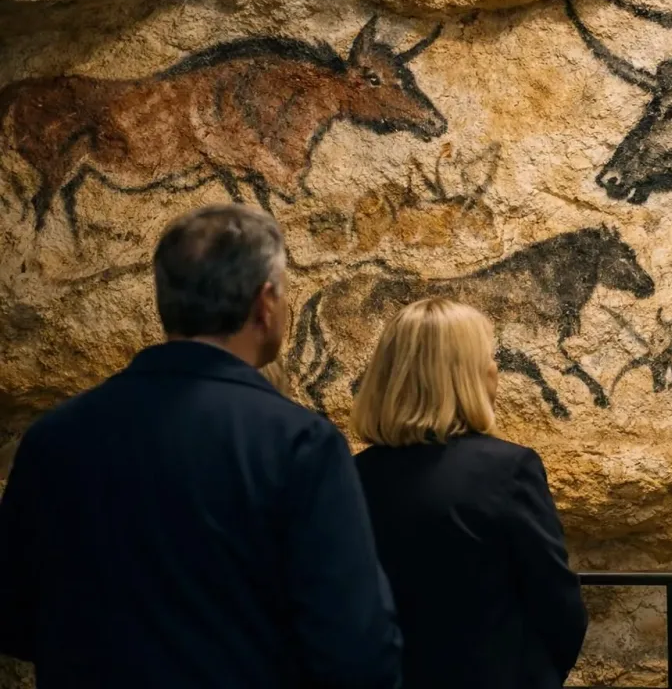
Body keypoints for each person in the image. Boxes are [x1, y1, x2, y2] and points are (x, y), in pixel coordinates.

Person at [0, 204, 403, 688]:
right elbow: (355, 649)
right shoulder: (300, 444)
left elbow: (14, 617)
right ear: (265, 303)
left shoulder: (54, 437)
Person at [352, 297, 588, 689]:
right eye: (490, 357)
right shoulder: (508, 470)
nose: (496, 370)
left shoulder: (355, 474)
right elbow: (558, 606)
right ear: (465, 375)